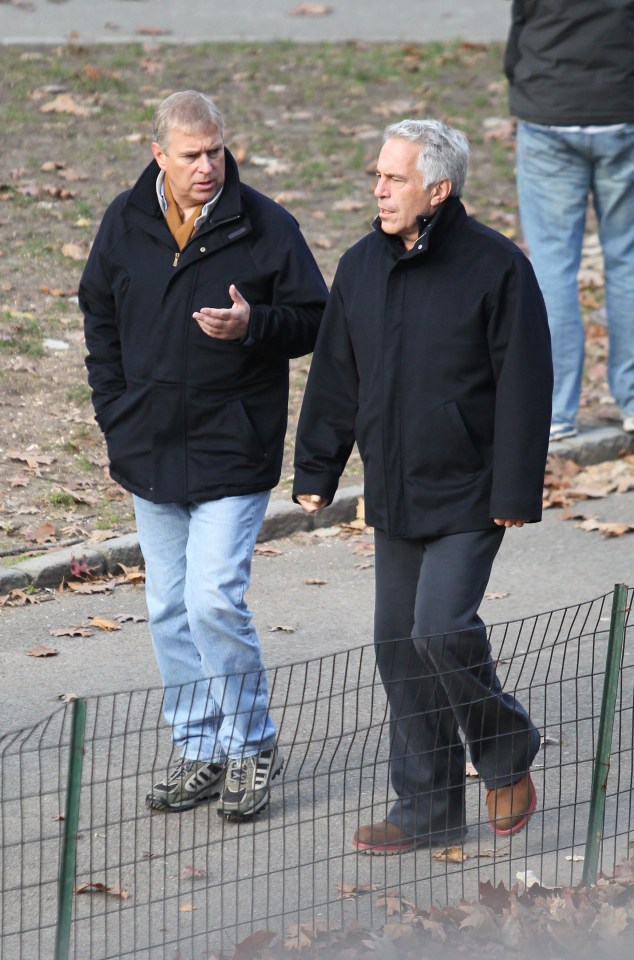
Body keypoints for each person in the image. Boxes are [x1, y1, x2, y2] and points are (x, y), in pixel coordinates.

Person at [293, 119, 553, 854]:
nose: (378, 188)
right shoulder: (360, 266)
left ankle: (505, 751)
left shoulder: (498, 268)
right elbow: (336, 376)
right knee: (396, 646)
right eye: (377, 174)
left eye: (394, 177)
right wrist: (318, 467)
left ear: (437, 189)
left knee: (439, 628)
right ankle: (429, 806)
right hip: (396, 492)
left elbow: (525, 386)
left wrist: (514, 491)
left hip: (472, 489)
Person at [80, 90, 327, 820]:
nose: (208, 166)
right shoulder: (125, 224)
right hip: (148, 448)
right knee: (166, 608)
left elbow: (316, 318)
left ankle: (250, 746)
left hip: (233, 447)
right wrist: (114, 414)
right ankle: (200, 750)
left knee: (213, 598)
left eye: (216, 150)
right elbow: (98, 313)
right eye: (192, 154)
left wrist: (255, 324)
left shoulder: (266, 226)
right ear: (159, 154)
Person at [505, 0, 634, 442]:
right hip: (623, 107)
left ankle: (555, 410)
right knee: (629, 259)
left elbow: (521, 25)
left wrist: (522, 84)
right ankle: (632, 400)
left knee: (552, 265)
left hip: (549, 106)